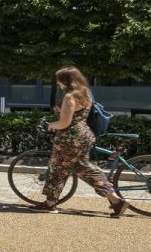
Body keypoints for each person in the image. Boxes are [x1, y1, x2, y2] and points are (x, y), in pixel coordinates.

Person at [38, 66, 128, 216]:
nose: (58, 84)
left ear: (66, 81)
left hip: (69, 138)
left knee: (57, 169)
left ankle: (49, 204)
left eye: (59, 80)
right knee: (85, 169)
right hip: (84, 135)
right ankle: (116, 201)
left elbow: (64, 123)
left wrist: (50, 125)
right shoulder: (85, 93)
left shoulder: (69, 97)